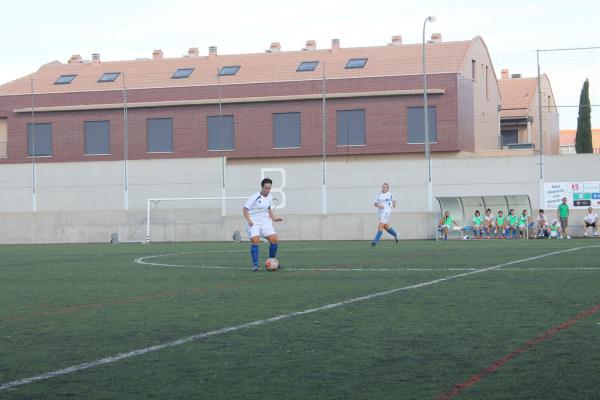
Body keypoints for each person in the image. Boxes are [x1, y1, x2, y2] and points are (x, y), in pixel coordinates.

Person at [242, 178, 283, 271]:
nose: (268, 190)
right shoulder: (255, 197)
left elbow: (268, 209)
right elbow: (245, 209)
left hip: (265, 222)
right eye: (266, 188)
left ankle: (272, 261)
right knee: (255, 241)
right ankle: (255, 265)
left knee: (274, 239)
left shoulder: (270, 196)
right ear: (262, 187)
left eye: (269, 188)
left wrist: (274, 218)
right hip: (253, 222)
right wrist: (249, 220)